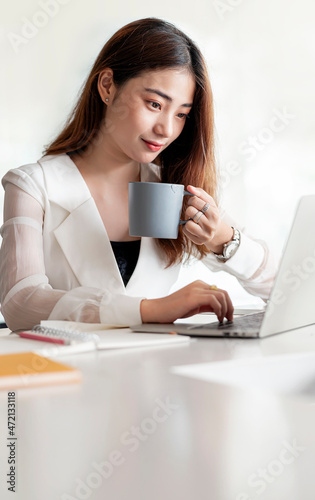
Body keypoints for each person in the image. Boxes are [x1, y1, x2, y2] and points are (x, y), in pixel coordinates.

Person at [0, 18, 276, 331]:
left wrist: (224, 241)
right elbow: (20, 304)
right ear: (107, 86)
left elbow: (287, 289)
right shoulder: (34, 186)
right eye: (154, 103)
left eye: (182, 114)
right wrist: (149, 309)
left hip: (154, 372)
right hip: (70, 375)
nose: (167, 129)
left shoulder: (171, 188)